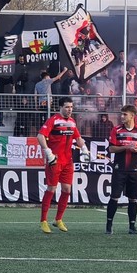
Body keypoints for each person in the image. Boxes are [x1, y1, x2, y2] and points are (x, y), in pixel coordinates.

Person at [37, 96, 91, 234]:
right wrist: (48, 151)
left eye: (71, 107)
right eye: (67, 107)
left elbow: (77, 138)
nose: (69, 109)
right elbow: (40, 136)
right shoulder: (53, 120)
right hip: (55, 161)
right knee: (52, 189)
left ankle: (58, 219)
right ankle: (43, 221)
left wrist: (84, 149)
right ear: (60, 107)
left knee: (67, 190)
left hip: (68, 161)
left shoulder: (72, 122)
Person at [105, 104, 137, 235]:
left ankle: (132, 226)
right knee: (114, 197)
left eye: (125, 114)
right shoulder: (116, 130)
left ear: (132, 116)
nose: (122, 116)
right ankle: (109, 225)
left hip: (134, 170)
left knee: (133, 199)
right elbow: (111, 149)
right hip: (119, 169)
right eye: (121, 114)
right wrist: (126, 147)